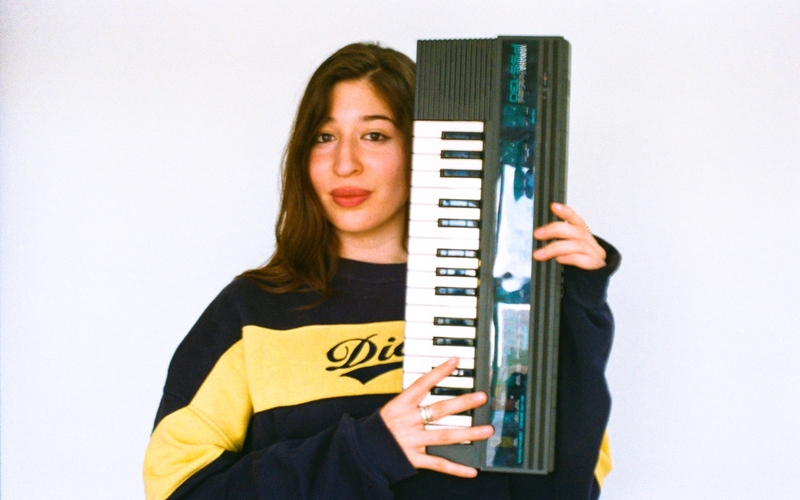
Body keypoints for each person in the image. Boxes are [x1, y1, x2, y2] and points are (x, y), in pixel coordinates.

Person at [143, 42, 620, 500]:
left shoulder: (502, 303)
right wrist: (369, 450)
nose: (345, 164)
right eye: (324, 137)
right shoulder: (251, 313)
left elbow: (567, 488)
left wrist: (578, 304)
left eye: (374, 135)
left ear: (423, 148)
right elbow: (176, 489)